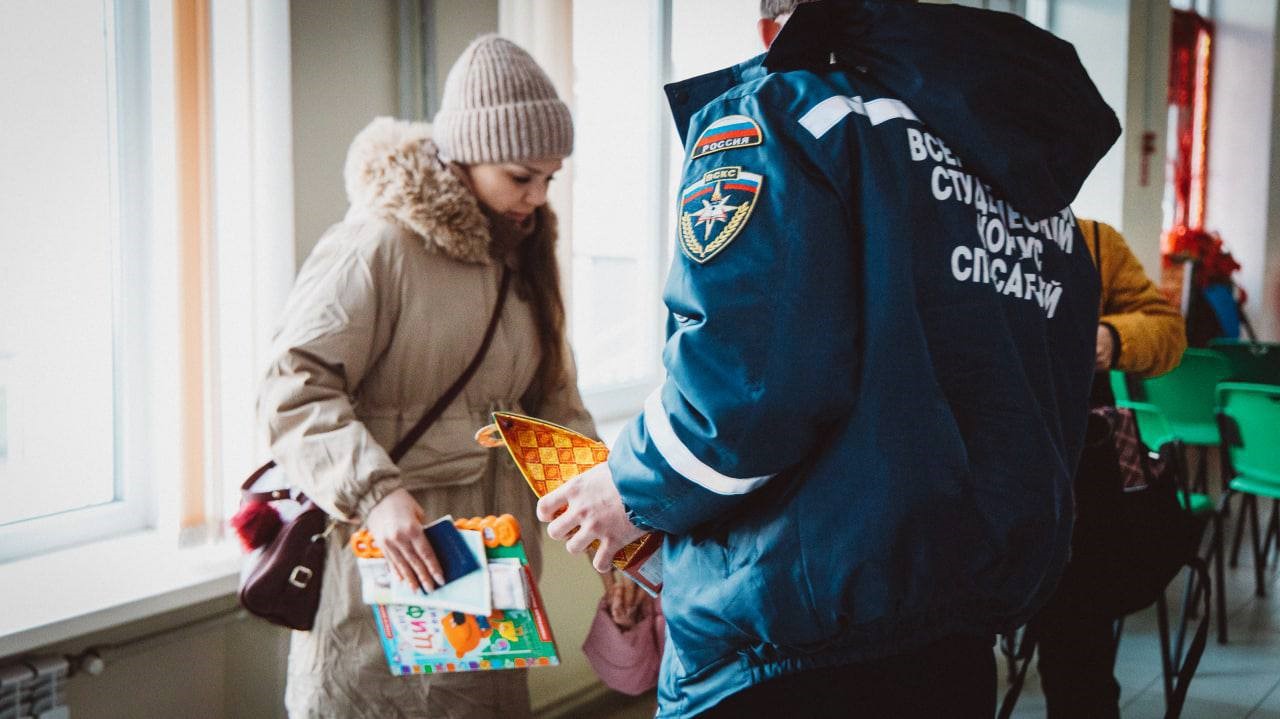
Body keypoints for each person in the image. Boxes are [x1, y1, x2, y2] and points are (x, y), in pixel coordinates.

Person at [537, 0, 1120, 716]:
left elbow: (741, 391)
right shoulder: (1030, 185)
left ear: (771, 27)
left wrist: (627, 489)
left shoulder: (782, 115)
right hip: (958, 628)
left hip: (788, 635)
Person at [258, 34, 595, 719]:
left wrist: (616, 535)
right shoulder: (378, 242)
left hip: (491, 574)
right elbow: (291, 384)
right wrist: (376, 492)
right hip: (389, 563)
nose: (536, 196)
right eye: (520, 175)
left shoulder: (524, 251)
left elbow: (554, 406)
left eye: (549, 178)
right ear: (465, 155)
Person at [1028, 218, 1187, 718]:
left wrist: (1112, 338)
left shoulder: (1092, 240)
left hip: (1074, 494)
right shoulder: (940, 214)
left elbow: (1166, 330)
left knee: (1079, 661)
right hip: (960, 480)